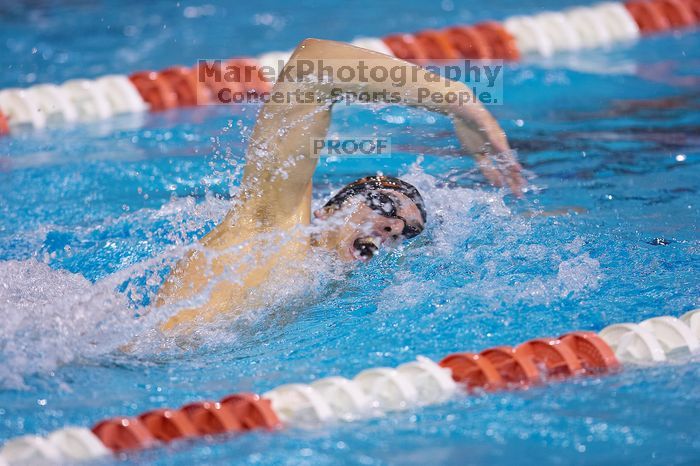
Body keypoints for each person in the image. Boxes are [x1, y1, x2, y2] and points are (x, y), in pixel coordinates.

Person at [155, 38, 524, 332]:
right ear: (329, 208)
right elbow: (312, 64)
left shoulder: (321, 290)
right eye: (384, 206)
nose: (395, 227)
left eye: (404, 232)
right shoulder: (272, 226)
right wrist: (458, 102)